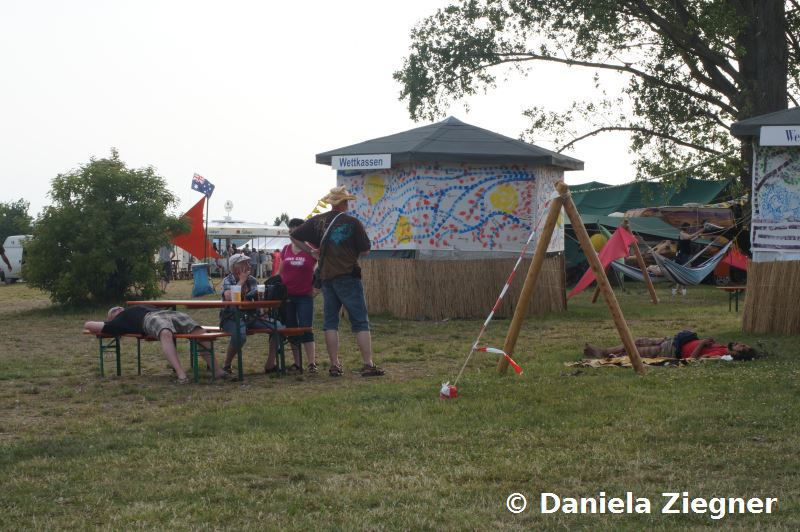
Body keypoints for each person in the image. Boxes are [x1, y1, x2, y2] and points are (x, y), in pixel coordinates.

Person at [291, 186, 384, 377]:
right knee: (360, 321)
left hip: (327, 277)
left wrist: (311, 251)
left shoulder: (317, 221)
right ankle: (368, 364)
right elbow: (365, 250)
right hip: (348, 275)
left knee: (330, 322)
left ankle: (334, 365)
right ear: (344, 202)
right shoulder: (353, 223)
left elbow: (294, 235)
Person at [84, 305, 229, 384]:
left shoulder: (135, 307)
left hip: (168, 313)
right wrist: (108, 323)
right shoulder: (117, 322)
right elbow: (88, 325)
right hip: (149, 318)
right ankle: (181, 375)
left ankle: (217, 371)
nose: (116, 309)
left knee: (199, 332)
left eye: (117, 308)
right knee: (165, 333)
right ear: (112, 319)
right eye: (113, 311)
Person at [220, 253, 280, 374]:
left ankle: (270, 364)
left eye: (248, 262)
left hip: (252, 316)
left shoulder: (252, 280)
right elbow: (229, 297)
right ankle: (227, 364)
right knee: (240, 335)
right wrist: (241, 281)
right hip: (231, 318)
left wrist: (263, 309)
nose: (249, 265)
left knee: (279, 327)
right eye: (245, 263)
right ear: (235, 267)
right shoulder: (228, 280)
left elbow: (258, 299)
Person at [280, 218, 318, 373]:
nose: (291, 235)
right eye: (290, 231)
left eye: (294, 231)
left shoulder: (311, 249)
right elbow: (280, 272)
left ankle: (311, 363)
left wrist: (317, 288)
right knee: (291, 329)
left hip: (304, 296)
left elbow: (322, 267)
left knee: (306, 328)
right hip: (287, 296)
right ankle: (297, 363)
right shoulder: (285, 249)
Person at [583, 332, 757, 361]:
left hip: (671, 351)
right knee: (636, 341)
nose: (739, 343)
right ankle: (604, 351)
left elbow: (692, 360)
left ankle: (604, 354)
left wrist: (703, 343)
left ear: (739, 354)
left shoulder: (721, 356)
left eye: (742, 347)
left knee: (635, 351)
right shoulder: (723, 347)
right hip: (672, 341)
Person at [672, 222, 704, 296]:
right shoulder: (682, 233)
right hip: (682, 256)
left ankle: (679, 290)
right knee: (683, 272)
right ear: (686, 227)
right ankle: (679, 289)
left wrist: (698, 236)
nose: (690, 229)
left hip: (686, 256)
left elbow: (690, 240)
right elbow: (689, 237)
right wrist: (700, 230)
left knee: (683, 272)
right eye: (689, 227)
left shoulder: (685, 234)